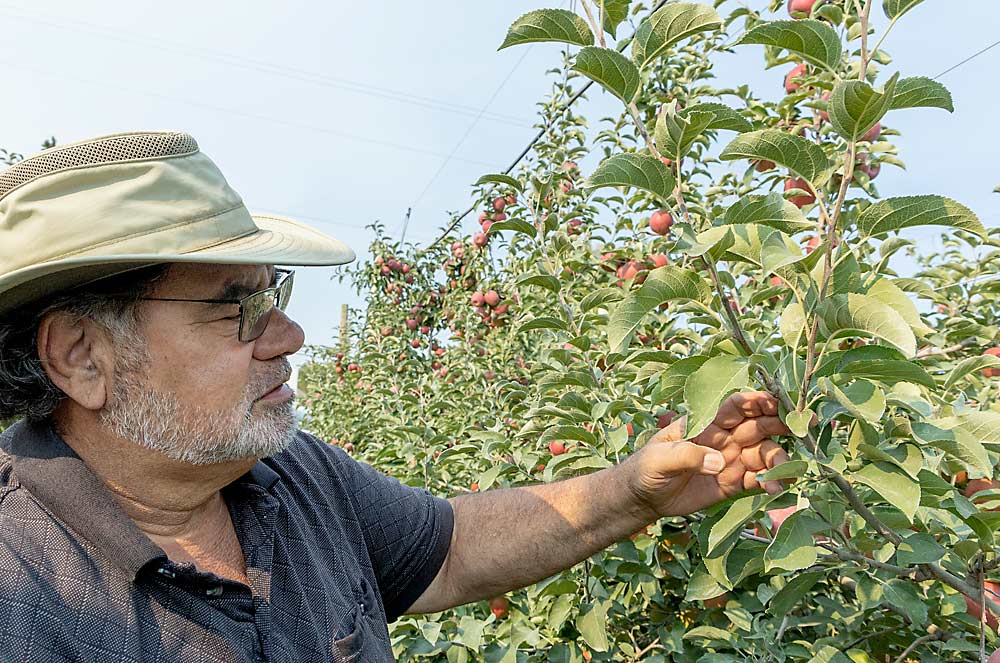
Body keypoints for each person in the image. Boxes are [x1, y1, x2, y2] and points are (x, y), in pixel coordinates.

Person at [0, 131, 790, 662]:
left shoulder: (293, 476)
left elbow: (445, 547)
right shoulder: (21, 590)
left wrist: (631, 489)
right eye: (237, 308)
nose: (287, 337)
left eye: (274, 296)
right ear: (81, 357)